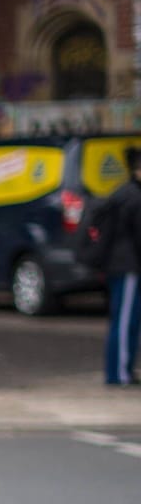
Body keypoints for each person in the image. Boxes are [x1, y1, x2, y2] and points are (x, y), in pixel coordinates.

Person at [93, 147, 141, 386]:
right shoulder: (134, 196)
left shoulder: (123, 192)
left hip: (118, 265)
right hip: (127, 267)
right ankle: (119, 374)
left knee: (123, 319)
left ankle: (120, 371)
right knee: (125, 321)